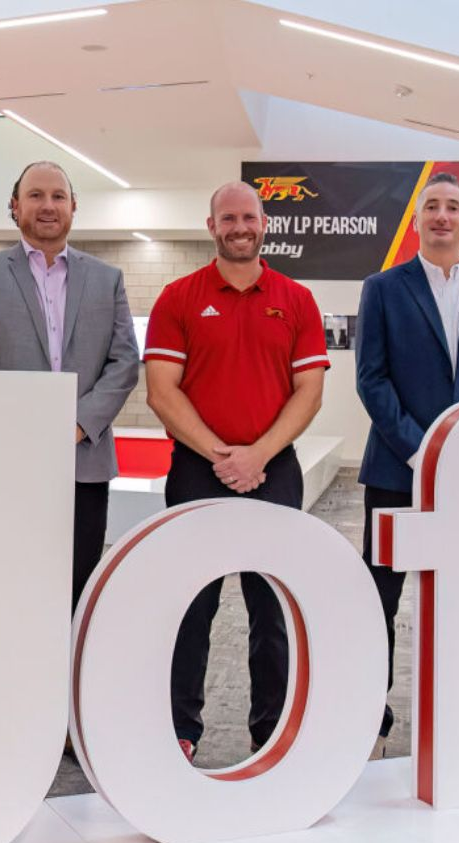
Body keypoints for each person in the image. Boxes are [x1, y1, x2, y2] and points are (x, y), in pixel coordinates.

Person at [143, 181, 329, 762]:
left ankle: (270, 728)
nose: (239, 227)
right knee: (191, 603)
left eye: (249, 217)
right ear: (212, 226)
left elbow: (309, 392)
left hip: (274, 471)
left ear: (264, 223)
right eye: (228, 218)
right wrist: (222, 455)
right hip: (197, 471)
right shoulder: (178, 298)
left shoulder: (296, 299)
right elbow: (161, 392)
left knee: (273, 606)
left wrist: (259, 455)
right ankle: (180, 727)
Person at [355, 172, 459, 756]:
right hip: (396, 473)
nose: (442, 216)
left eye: (453, 207)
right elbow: (371, 380)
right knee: (379, 600)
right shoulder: (383, 288)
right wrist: (423, 450)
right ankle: (370, 719)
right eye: (432, 206)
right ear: (417, 220)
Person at [0, 160, 139, 608]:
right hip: (3, 461)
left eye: (58, 196)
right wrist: (32, 427)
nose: (48, 205)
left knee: (76, 590)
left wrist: (76, 425)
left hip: (82, 461)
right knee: (5, 591)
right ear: (15, 206)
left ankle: (68, 659)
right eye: (35, 195)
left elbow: (125, 362)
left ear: (74, 206)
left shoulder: (107, 280)